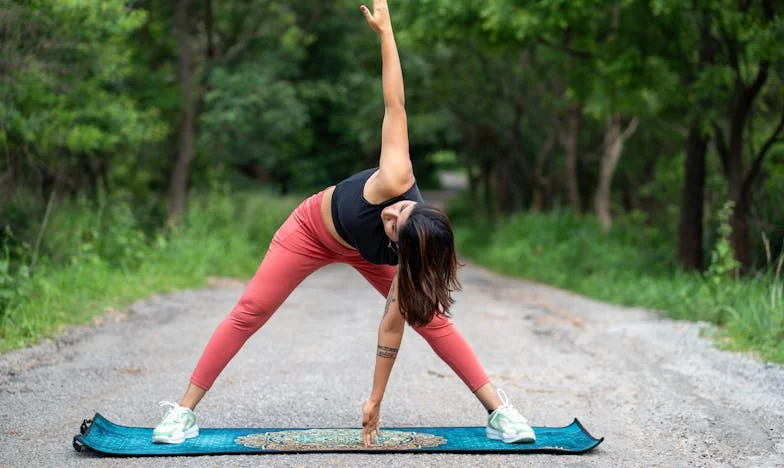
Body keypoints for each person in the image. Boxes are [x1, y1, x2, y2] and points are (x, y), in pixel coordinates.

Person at [152, 0, 536, 447]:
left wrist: (375, 399)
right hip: (310, 230)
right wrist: (387, 34)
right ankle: (183, 412)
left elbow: (390, 327)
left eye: (393, 226)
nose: (391, 213)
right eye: (400, 211)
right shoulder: (396, 177)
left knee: (429, 318)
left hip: (364, 252)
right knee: (251, 310)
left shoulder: (404, 261)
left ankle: (500, 413)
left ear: (400, 250)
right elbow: (395, 103)